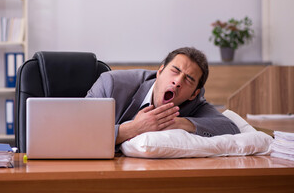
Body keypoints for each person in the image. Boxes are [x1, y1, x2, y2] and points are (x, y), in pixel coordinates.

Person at [86, 47, 240, 151]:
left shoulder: (195, 102)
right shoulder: (111, 84)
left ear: (194, 93)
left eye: (189, 79)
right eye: (175, 71)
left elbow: (230, 129)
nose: (178, 82)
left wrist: (179, 123)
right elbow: (79, 132)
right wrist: (134, 128)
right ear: (160, 71)